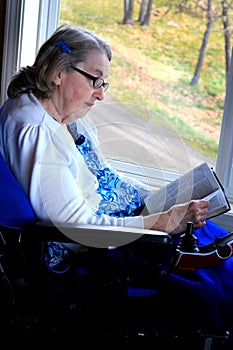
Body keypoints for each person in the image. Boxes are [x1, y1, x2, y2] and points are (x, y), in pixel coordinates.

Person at [0, 24, 233, 339]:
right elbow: (75, 228)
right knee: (211, 283)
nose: (101, 94)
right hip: (95, 251)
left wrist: (161, 198)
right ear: (58, 73)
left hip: (121, 224)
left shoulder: (67, 118)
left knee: (215, 242)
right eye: (95, 80)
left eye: (104, 82)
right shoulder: (35, 132)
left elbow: (106, 179)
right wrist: (160, 221)